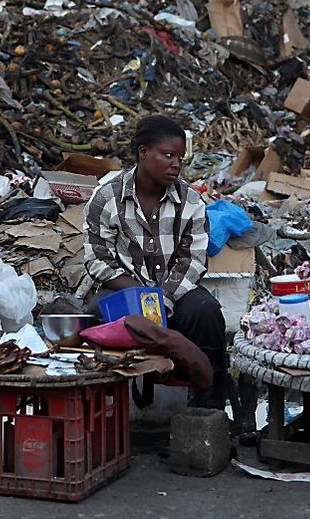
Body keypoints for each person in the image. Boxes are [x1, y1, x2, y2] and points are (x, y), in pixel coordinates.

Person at [84, 115, 227, 408]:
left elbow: (194, 261)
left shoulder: (191, 202)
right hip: (123, 289)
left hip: (174, 292)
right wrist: (139, 295)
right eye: (168, 155)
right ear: (143, 153)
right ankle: (103, 406)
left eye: (181, 158)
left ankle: (207, 406)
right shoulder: (106, 198)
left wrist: (162, 301)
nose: (176, 164)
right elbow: (97, 257)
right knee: (96, 313)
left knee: (207, 311)